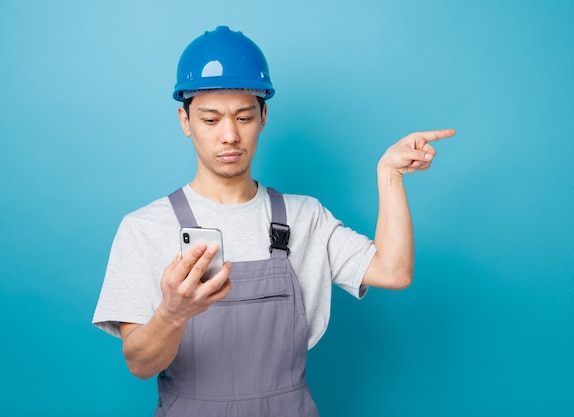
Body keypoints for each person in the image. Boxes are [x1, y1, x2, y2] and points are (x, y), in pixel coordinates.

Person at [93, 26, 455, 417]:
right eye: (211, 119)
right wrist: (174, 312)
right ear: (185, 120)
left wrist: (389, 175)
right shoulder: (145, 228)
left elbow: (395, 271)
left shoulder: (304, 217)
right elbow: (140, 364)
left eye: (244, 117)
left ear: (263, 117)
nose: (229, 135)